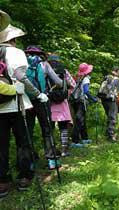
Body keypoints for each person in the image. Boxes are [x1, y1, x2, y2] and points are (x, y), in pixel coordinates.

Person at [0, 25, 48, 197]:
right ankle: (24, 176)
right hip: (18, 104)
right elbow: (22, 77)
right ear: (13, 39)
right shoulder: (16, 53)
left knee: (1, 145)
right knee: (23, 142)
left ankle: (2, 181)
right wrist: (38, 94)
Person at [24, 46, 63, 169]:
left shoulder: (22, 64)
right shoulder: (45, 65)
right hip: (42, 99)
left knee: (27, 131)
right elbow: (59, 82)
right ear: (40, 53)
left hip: (27, 102)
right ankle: (51, 160)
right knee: (47, 130)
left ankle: (29, 161)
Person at [47, 54, 76, 157]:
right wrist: (65, 93)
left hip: (48, 102)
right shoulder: (63, 70)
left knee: (49, 128)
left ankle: (50, 151)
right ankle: (64, 150)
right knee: (63, 126)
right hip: (62, 102)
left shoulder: (44, 68)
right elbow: (73, 85)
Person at [71, 63, 97, 147]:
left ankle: (84, 138)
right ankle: (75, 141)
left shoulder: (78, 78)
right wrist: (93, 99)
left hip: (75, 101)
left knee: (82, 120)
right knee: (79, 120)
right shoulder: (86, 79)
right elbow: (86, 91)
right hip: (81, 101)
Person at [99, 67, 119, 142]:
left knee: (108, 116)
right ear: (117, 71)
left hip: (103, 99)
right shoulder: (117, 80)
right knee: (113, 117)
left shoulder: (106, 78)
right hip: (111, 100)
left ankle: (107, 133)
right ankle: (111, 135)